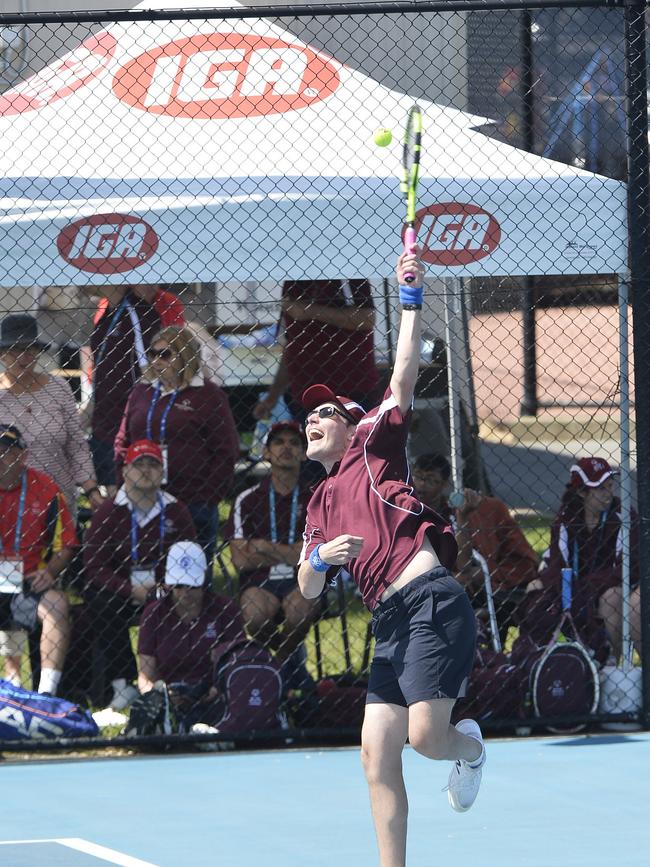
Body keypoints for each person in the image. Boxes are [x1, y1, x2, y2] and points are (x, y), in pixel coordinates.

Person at [297, 250, 485, 867]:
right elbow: (305, 589)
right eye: (308, 416)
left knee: (427, 738)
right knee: (376, 751)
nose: (312, 420)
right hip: (389, 623)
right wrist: (321, 558)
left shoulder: (374, 446)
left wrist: (410, 298)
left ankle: (472, 749)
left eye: (326, 413)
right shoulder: (319, 502)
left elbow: (403, 373)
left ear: (353, 426)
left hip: (430, 601)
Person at [83, 439, 196, 709]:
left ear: (162, 472)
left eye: (153, 464)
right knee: (98, 601)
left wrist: (166, 587)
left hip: (166, 590)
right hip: (122, 590)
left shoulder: (176, 510)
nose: (146, 470)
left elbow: (189, 559)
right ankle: (122, 685)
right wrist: (127, 588)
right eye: (139, 464)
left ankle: (170, 678)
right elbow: (94, 566)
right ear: (125, 472)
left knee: (187, 599)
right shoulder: (108, 512)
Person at [115, 326, 239, 569]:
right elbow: (122, 441)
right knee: (143, 570)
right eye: (153, 354)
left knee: (190, 572)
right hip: (142, 497)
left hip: (191, 499)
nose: (157, 360)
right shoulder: (141, 391)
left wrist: (208, 496)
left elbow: (226, 450)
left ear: (185, 354)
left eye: (166, 354)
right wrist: (124, 484)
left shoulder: (208, 394)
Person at [412, 452, 538, 645]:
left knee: (473, 579)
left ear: (444, 485)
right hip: (415, 579)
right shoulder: (403, 508)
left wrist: (462, 518)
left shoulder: (448, 513)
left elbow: (463, 564)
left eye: (430, 481)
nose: (421, 485)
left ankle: (481, 639)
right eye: (418, 477)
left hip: (450, 579)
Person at [523, 457, 640, 659]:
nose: (608, 494)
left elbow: (628, 568)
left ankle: (609, 662)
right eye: (600, 489)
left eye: (610, 487)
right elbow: (557, 563)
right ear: (581, 492)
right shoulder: (566, 517)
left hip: (608, 586)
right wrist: (574, 588)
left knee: (611, 597)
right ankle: (536, 660)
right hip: (575, 586)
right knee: (534, 588)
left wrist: (586, 587)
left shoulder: (623, 515)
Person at [226, 421, 318, 666]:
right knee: (254, 616)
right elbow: (240, 560)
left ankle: (275, 668)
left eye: (294, 443)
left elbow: (316, 555)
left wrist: (264, 548)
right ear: (266, 452)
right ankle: (288, 660)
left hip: (305, 578)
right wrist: (293, 551)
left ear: (303, 453)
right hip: (258, 581)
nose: (286, 447)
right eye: (278, 442)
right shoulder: (246, 499)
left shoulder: (317, 498)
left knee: (299, 612)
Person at [0, 313, 103, 514]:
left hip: (58, 500)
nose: (24, 357)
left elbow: (77, 445)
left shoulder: (59, 388)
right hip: (7, 506)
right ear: (2, 353)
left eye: (31, 349)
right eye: (16, 350)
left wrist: (91, 490)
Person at [0, 424, 76, 695]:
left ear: (23, 456)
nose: (1, 457)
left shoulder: (46, 489)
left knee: (57, 604)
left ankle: (46, 692)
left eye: (7, 452)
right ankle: (12, 680)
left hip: (32, 578)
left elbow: (67, 544)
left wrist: (52, 572)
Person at [137, 540, 246, 729]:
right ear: (169, 584)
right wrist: (159, 694)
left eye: (192, 585)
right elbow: (145, 675)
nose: (186, 592)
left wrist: (219, 688)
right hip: (170, 694)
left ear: (204, 579)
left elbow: (238, 664)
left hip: (215, 694)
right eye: (179, 585)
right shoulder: (154, 614)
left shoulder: (226, 610)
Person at [253, 279, 381, 424]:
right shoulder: (291, 282)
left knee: (356, 445)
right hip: (305, 397)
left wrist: (311, 311)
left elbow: (368, 318)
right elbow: (291, 345)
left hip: (352, 394)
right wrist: (273, 396)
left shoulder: (347, 273)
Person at [88, 285, 161, 493]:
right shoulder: (105, 315)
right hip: (102, 423)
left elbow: (151, 372)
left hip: (127, 426)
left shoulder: (138, 313)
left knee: (133, 495)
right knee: (111, 499)